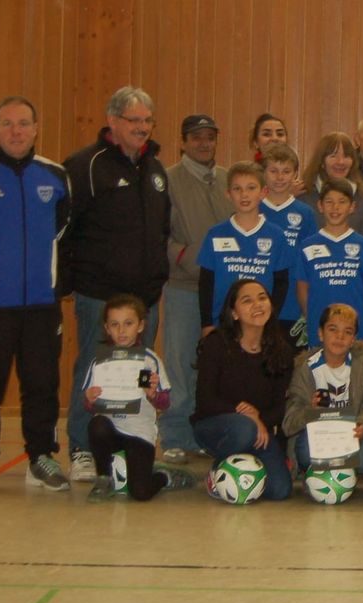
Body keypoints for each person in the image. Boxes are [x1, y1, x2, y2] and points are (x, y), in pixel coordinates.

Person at [0, 95, 71, 494]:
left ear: (36, 129)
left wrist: (41, 270)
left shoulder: (54, 176)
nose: (16, 131)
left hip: (41, 303)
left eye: (24, 123)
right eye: (8, 124)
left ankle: (41, 456)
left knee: (42, 382)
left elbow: (61, 228)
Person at [62, 86, 171, 482]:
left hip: (145, 298)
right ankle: (81, 448)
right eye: (134, 121)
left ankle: (136, 440)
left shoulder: (155, 169)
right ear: (113, 121)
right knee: (93, 370)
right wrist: (72, 282)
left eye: (147, 121)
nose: (142, 128)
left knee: (141, 373)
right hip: (99, 296)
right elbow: (66, 231)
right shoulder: (84, 165)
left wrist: (157, 279)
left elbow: (162, 229)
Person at [161, 114, 230, 463]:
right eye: (196, 137)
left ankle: (204, 433)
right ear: (183, 141)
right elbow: (158, 234)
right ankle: (174, 434)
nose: (204, 143)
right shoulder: (168, 179)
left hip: (227, 294)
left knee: (216, 370)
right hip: (185, 286)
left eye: (209, 137)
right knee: (180, 363)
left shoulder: (228, 180)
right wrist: (187, 257)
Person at [82, 294, 194, 501]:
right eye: (114, 324)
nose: (121, 330)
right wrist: (89, 398)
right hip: (110, 430)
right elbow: (89, 406)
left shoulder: (146, 361)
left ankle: (164, 476)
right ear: (106, 328)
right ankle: (104, 478)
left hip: (138, 433)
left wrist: (153, 395)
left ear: (140, 326)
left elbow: (164, 403)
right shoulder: (100, 362)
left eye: (128, 323)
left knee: (140, 493)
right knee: (96, 424)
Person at [192, 279, 295, 501]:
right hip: (215, 427)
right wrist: (246, 414)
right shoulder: (217, 344)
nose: (257, 305)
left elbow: (280, 407)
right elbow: (205, 401)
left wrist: (258, 418)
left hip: (259, 429)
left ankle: (243, 463)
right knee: (244, 429)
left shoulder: (281, 350)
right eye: (247, 301)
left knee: (280, 490)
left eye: (262, 298)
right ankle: (218, 472)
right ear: (234, 313)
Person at [283, 304, 363, 477]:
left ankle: (330, 473)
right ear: (321, 333)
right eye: (333, 329)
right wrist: (311, 411)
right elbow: (289, 422)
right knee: (306, 452)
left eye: (348, 332)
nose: (340, 337)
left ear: (353, 339)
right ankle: (336, 471)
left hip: (349, 436)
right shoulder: (305, 368)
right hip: (316, 437)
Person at [196, 163, 293, 330]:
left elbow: (281, 284)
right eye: (237, 189)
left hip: (260, 324)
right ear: (228, 194)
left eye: (251, 188)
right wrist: (207, 324)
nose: (244, 195)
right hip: (222, 324)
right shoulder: (216, 234)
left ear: (263, 192)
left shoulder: (276, 235)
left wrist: (271, 319)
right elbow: (206, 283)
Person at [295, 177, 363, 348]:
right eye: (329, 202)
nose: (335, 208)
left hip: (357, 326)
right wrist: (311, 316)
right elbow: (302, 287)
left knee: (357, 371)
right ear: (320, 206)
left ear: (352, 207)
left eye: (342, 202)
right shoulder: (307, 245)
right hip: (320, 326)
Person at [259, 143, 318, 349]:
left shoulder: (305, 213)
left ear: (295, 174)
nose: (279, 177)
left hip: (292, 305)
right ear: (263, 173)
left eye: (286, 171)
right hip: (258, 301)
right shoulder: (254, 208)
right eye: (273, 171)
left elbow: (310, 261)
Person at [297, 132, 363, 235]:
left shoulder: (362, 196)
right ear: (321, 161)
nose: (341, 162)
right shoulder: (303, 194)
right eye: (333, 156)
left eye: (346, 156)